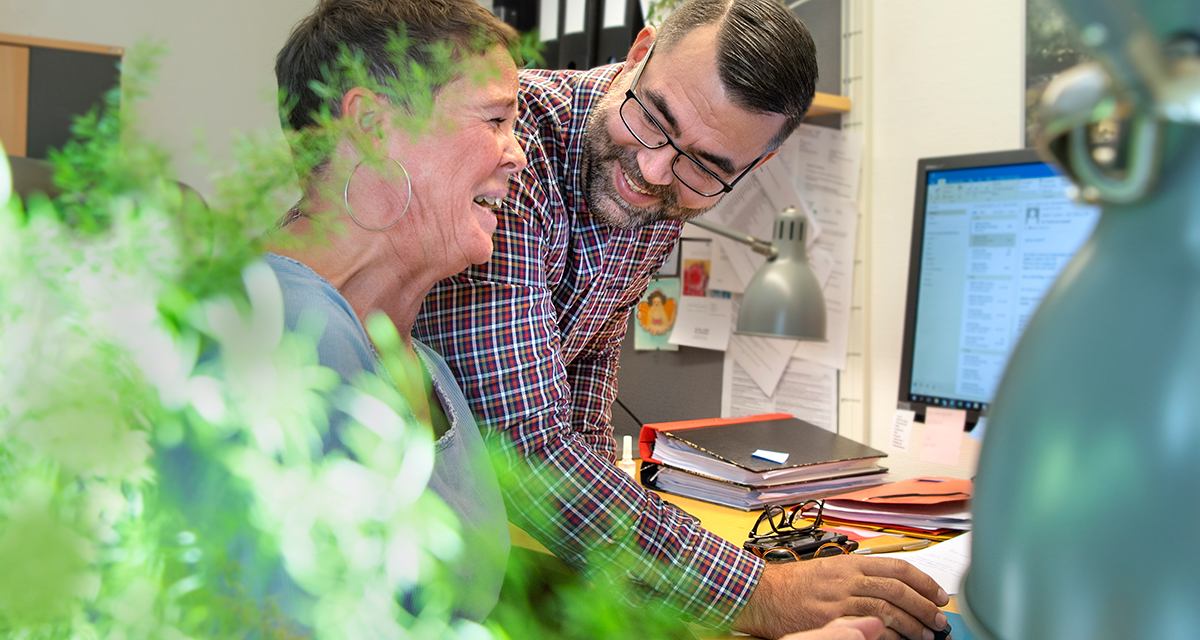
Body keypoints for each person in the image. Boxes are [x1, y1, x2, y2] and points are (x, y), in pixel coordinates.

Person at [412, 0, 952, 638]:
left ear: (755, 164)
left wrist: (661, 568)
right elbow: (527, 447)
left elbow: (584, 390)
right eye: (655, 119)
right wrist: (759, 591)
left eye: (706, 164)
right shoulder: (513, 152)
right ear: (638, 54)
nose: (653, 171)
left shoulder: (663, 175)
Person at [269, 0, 526, 621]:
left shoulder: (427, 366)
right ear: (374, 128)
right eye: (494, 119)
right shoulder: (289, 330)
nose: (516, 153)